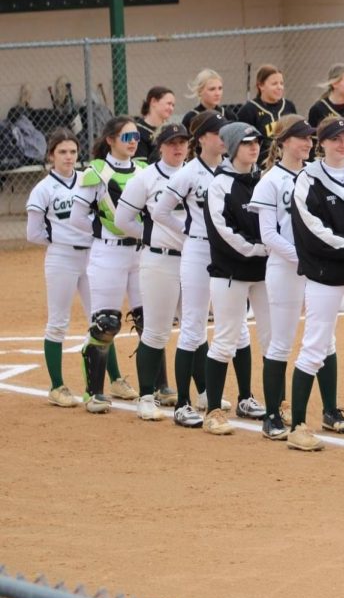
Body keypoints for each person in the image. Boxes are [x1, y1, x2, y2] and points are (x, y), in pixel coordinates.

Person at [249, 115, 344, 440]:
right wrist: (306, 257)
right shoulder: (270, 181)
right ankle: (273, 414)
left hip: (317, 268)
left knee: (325, 338)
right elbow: (268, 234)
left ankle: (329, 410)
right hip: (286, 269)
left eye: (311, 138)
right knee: (281, 340)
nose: (308, 144)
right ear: (283, 141)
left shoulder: (318, 176)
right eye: (301, 138)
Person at [152, 111, 254, 426]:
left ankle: (246, 398)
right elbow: (160, 210)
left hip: (228, 252)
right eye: (217, 132)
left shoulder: (232, 170)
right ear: (202, 139)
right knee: (194, 325)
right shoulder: (189, 173)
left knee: (238, 327)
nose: (224, 138)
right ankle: (183, 404)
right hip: (198, 250)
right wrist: (188, 231)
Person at [288, 116, 344, 453]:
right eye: (335, 138)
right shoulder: (307, 180)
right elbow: (314, 233)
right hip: (324, 275)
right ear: (320, 143)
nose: (343, 143)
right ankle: (296, 426)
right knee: (315, 347)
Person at [114, 123, 191, 421]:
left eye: (183, 142)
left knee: (194, 328)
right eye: (172, 142)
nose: (178, 147)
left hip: (194, 261)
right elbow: (123, 219)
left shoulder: (195, 173)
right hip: (160, 261)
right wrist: (153, 237)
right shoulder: (146, 178)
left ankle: (201, 393)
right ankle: (147, 396)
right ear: (160, 146)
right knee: (157, 331)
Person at [68, 116, 145, 413]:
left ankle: (156, 390)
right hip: (108, 252)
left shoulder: (143, 169)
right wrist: (101, 231)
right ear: (110, 140)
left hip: (138, 252)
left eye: (135, 136)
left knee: (146, 322)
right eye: (126, 137)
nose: (133, 141)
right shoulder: (97, 172)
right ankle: (94, 393)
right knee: (106, 323)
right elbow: (77, 217)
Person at [200, 123, 272, 435]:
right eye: (246, 143)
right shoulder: (220, 184)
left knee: (273, 340)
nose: (253, 147)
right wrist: (258, 248)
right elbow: (221, 230)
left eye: (256, 142)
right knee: (226, 339)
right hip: (231, 271)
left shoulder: (265, 180)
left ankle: (275, 405)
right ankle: (213, 410)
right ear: (231, 147)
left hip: (266, 272)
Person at [26, 130, 92, 408]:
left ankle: (104, 382)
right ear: (51, 155)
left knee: (100, 319)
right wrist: (61, 240)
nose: (68, 157)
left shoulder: (88, 181)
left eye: (73, 152)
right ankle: (56, 387)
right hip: (61, 258)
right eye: (62, 152)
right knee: (58, 322)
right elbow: (33, 233)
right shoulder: (43, 188)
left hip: (91, 256)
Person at [235, 64, 298, 162]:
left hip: (288, 162)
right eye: (274, 84)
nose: (279, 87)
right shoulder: (249, 110)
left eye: (281, 83)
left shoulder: (289, 106)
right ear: (261, 85)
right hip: (261, 164)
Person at [135, 86, 175, 162]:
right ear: (153, 102)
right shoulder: (138, 130)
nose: (171, 108)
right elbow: (140, 164)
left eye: (173, 105)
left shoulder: (169, 129)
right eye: (169, 104)